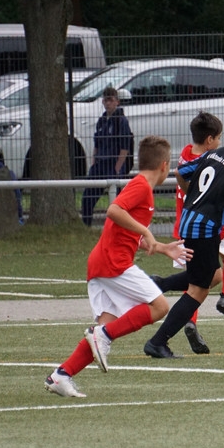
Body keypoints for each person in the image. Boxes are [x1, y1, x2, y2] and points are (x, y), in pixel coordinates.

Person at [45, 136, 192, 397]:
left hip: (104, 263)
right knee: (159, 307)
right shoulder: (141, 186)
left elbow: (128, 234)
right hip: (113, 263)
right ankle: (102, 336)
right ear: (163, 165)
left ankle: (61, 375)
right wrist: (146, 231)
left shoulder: (142, 188)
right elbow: (114, 210)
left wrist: (161, 247)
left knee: (105, 328)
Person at [144, 111, 224, 358]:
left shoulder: (214, 153)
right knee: (198, 290)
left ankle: (161, 283)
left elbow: (180, 172)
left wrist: (192, 196)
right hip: (204, 229)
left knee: (214, 275)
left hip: (189, 221)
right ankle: (158, 342)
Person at [81, 86, 133, 226]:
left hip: (113, 165)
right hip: (100, 164)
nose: (108, 103)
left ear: (117, 101)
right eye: (105, 100)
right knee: (88, 197)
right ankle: (86, 225)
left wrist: (117, 168)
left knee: (117, 201)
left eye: (111, 100)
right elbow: (97, 144)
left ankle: (118, 227)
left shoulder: (121, 121)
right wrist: (94, 162)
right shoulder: (102, 121)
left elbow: (124, 147)